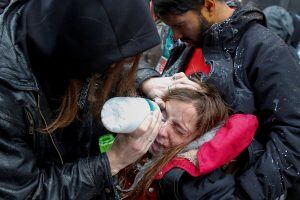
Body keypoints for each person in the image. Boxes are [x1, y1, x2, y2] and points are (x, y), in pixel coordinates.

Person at [136, 0, 300, 199]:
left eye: (179, 25)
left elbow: (293, 133)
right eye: (171, 28)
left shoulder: (266, 50)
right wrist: (147, 80)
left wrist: (245, 194)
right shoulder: (191, 42)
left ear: (209, 5)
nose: (176, 36)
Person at [0, 0, 162, 199]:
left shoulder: (60, 30)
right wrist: (112, 161)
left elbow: (115, 47)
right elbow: (23, 193)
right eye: (111, 64)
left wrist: (146, 79)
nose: (113, 68)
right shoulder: (6, 95)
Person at [118, 83, 258, 199]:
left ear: (199, 141)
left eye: (179, 130)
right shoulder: (134, 135)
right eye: (163, 115)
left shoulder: (194, 186)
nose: (161, 131)